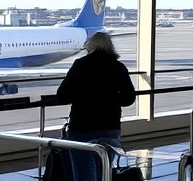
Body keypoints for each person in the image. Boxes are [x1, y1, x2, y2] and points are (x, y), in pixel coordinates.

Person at [57, 32, 136, 181]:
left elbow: (62, 96)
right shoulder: (118, 67)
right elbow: (129, 98)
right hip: (109, 129)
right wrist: (111, 99)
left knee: (84, 175)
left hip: (82, 129)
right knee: (104, 173)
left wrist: (82, 96)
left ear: (90, 45)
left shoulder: (80, 65)